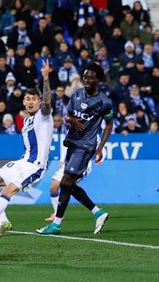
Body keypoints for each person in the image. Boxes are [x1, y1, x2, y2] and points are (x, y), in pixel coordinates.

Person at [0, 60, 54, 236]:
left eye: (34, 99)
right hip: (23, 161)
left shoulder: (44, 116)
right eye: (27, 99)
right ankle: (3, 222)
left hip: (35, 165)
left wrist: (45, 79)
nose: (30, 102)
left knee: (9, 190)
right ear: (23, 101)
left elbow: (48, 102)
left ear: (39, 102)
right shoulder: (26, 121)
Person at [38, 63, 113, 235]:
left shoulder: (104, 102)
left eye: (91, 77)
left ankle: (56, 224)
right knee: (68, 185)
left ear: (99, 80)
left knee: (64, 182)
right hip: (72, 143)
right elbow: (68, 115)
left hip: (86, 146)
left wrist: (100, 148)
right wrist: (70, 120)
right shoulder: (77, 94)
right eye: (85, 77)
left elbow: (109, 124)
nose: (87, 80)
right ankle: (98, 213)